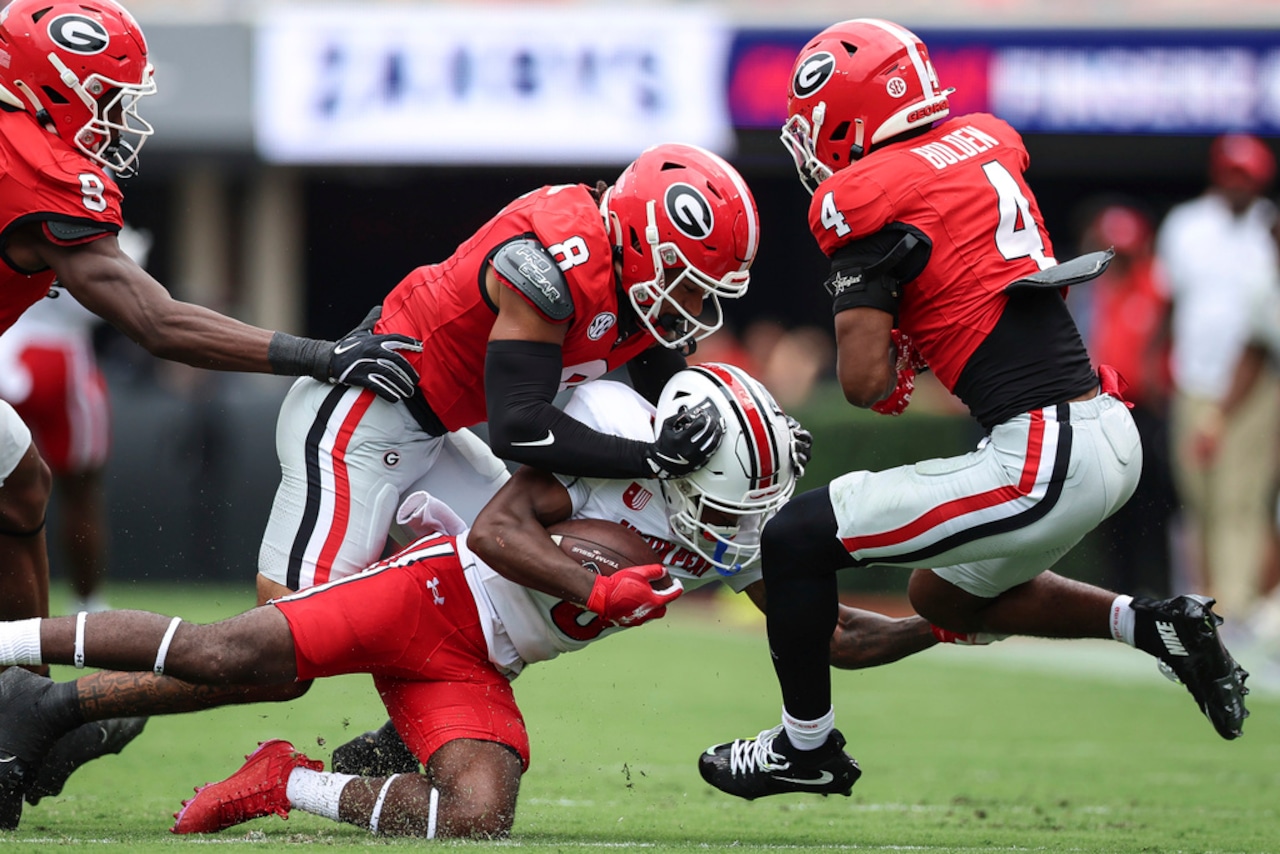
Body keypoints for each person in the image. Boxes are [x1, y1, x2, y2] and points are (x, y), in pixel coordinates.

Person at [0, 364, 937, 837]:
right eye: (726, 502)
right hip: (430, 593)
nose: (732, 531)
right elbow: (493, 531)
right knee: (225, 654)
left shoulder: (716, 537)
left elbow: (833, 635)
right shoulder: (609, 442)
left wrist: (940, 624)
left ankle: (284, 780)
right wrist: (595, 587)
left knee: (478, 818)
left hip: (480, 662)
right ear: (683, 457)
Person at [696, 18, 1251, 803]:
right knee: (940, 597)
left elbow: (862, 383)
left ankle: (803, 746)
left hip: (1042, 450)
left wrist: (896, 349)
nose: (813, 143)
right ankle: (1153, 623)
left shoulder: (863, 196)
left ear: (850, 112)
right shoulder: (986, 140)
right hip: (1102, 429)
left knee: (793, 537)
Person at [0, 0, 421, 820]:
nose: (117, 120)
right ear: (44, 86)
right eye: (103, 96)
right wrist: (321, 353)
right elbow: (153, 320)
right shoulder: (33, 160)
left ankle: (13, 700)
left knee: (21, 484)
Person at [1156, 133, 1280, 621]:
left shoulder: (1269, 228)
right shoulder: (1187, 225)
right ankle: (1208, 605)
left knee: (1240, 499)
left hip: (1256, 386)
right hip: (1194, 379)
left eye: (1247, 177)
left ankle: (1238, 609)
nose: (1239, 185)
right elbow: (1168, 304)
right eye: (1232, 173)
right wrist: (1156, 369)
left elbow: (1256, 339)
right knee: (1200, 500)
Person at [0, 224, 150, 614]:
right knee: (81, 489)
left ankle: (85, 603)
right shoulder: (75, 198)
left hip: (10, 347)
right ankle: (87, 604)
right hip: (63, 358)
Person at [1074, 203, 1176, 597]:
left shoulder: (1154, 285)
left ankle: (1160, 591)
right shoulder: (1094, 289)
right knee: (1109, 509)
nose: (1118, 259)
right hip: (1103, 410)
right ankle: (1117, 595)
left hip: (1146, 413)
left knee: (1154, 508)